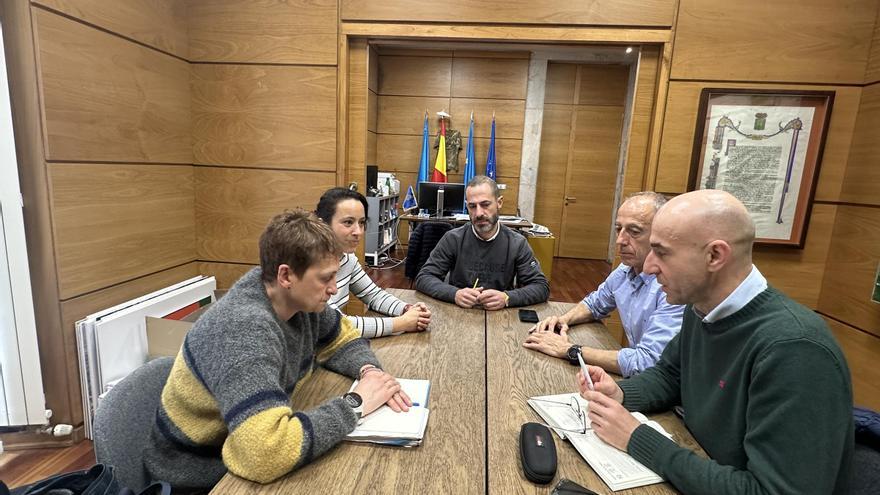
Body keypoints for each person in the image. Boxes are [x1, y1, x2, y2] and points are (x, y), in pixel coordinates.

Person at [577, 190, 853, 494]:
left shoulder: (795, 348)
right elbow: (671, 375)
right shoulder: (702, 307)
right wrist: (620, 393)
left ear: (715, 256)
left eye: (662, 252)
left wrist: (637, 438)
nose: (649, 267)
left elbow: (773, 490)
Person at [143, 210, 412, 492]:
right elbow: (263, 454)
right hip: (196, 476)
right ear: (286, 275)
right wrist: (355, 403)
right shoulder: (243, 331)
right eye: (326, 278)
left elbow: (342, 338)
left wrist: (369, 373)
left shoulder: (297, 300)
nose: (334, 288)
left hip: (241, 444)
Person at [523, 192, 684, 377]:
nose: (620, 241)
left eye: (634, 231)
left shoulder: (673, 288)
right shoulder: (625, 270)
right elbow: (595, 304)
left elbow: (646, 363)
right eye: (618, 229)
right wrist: (564, 320)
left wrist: (570, 350)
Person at [414, 175, 550, 310]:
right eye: (472, 206)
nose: (479, 213)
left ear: (499, 203)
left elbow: (541, 287)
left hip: (501, 317)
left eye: (485, 204)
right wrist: (454, 294)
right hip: (459, 313)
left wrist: (507, 298)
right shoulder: (453, 239)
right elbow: (423, 277)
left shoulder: (517, 243)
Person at [316, 187, 431, 337]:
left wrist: (408, 309)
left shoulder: (347, 258)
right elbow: (335, 325)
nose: (358, 231)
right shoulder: (307, 267)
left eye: (362, 223)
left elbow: (374, 295)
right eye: (348, 222)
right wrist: (402, 323)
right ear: (322, 224)